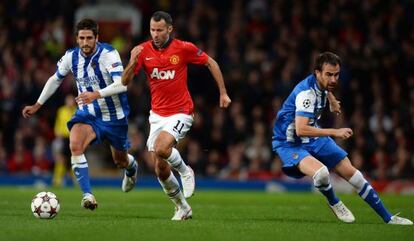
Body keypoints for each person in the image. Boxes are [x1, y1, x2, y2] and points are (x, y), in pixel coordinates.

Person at [272, 52, 412, 225]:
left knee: (356, 176)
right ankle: (334, 202)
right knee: (322, 173)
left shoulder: (321, 84)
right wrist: (335, 132)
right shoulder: (305, 95)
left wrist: (331, 99)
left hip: (313, 135)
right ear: (317, 73)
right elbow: (301, 129)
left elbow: (323, 89)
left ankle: (388, 218)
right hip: (289, 142)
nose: (333, 80)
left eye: (336, 74)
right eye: (329, 75)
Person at [122, 11, 231, 220]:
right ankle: (183, 207)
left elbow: (211, 63)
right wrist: (133, 59)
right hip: (157, 115)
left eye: (160, 30)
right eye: (152, 30)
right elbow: (125, 81)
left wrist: (223, 92)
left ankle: (185, 171)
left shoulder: (183, 48)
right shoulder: (143, 51)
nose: (155, 34)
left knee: (162, 148)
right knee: (160, 169)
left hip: (181, 111)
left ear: (169, 29)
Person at [22, 19, 139, 211]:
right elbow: (55, 79)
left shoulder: (108, 54)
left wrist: (96, 94)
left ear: (96, 38)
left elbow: (122, 84)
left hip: (114, 116)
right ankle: (88, 195)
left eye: (89, 38)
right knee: (75, 144)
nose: (85, 42)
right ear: (76, 39)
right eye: (82, 38)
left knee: (120, 160)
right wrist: (37, 104)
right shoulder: (71, 57)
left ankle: (131, 166)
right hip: (88, 113)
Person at [51, 94, 76, 187]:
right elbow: (58, 123)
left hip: (73, 138)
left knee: (73, 159)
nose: (70, 102)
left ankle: (76, 181)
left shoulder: (77, 111)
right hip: (62, 138)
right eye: (68, 100)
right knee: (60, 158)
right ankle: (57, 180)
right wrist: (57, 132)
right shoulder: (61, 111)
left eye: (71, 100)